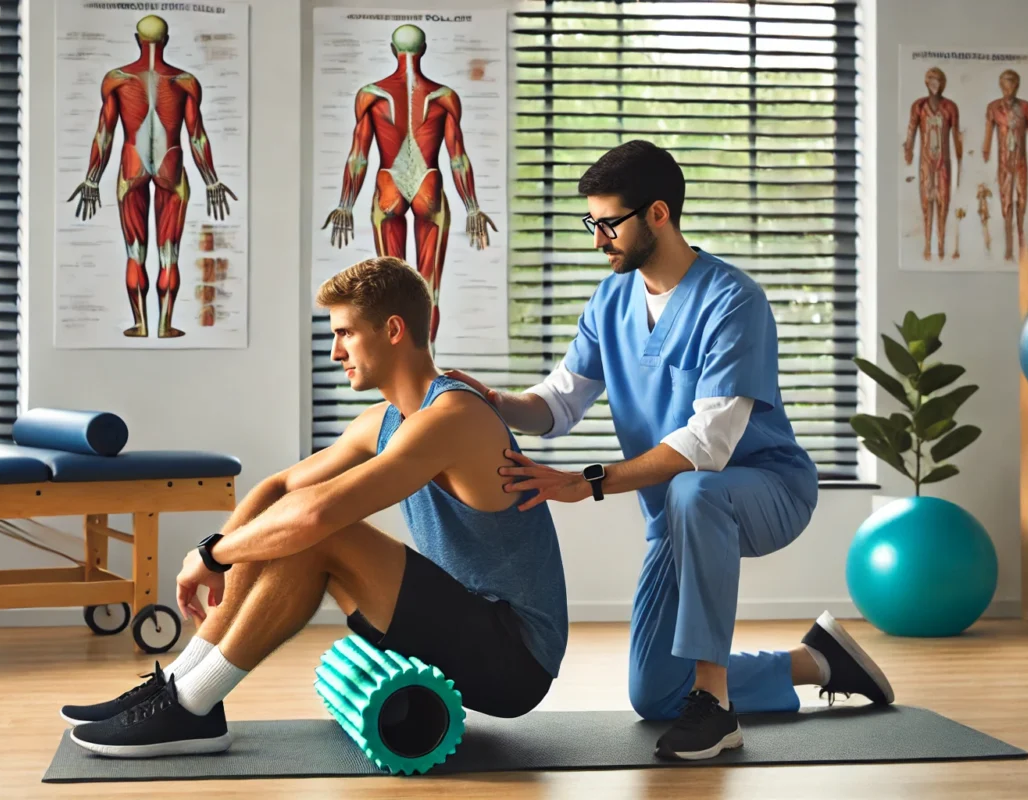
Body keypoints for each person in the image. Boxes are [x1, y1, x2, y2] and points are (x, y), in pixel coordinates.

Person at [447, 141, 895, 762]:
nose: (597, 238)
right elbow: (558, 403)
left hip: (766, 490)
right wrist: (489, 401)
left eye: (608, 224)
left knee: (694, 487)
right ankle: (818, 660)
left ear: (658, 213)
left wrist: (590, 481)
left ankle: (716, 709)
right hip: (675, 515)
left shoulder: (732, 300)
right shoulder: (611, 301)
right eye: (591, 223)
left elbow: (708, 445)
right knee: (654, 693)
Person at [60, 256, 569, 758]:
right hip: (469, 623)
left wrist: (214, 556)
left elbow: (315, 517)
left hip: (515, 657)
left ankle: (191, 705)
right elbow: (281, 489)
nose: (333, 351)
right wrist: (214, 553)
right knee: (291, 526)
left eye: (345, 333)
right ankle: (178, 686)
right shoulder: (384, 421)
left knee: (322, 531)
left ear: (393, 329)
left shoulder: (455, 417)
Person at [321, 23, 497, 345]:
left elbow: (358, 155)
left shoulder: (370, 96)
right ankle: (427, 365)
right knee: (429, 291)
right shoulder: (444, 98)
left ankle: (401, 372)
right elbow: (458, 157)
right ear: (424, 50)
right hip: (428, 187)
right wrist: (472, 208)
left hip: (389, 187)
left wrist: (346, 204)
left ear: (392, 50)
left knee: (391, 294)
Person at [68, 14, 237, 340]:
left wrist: (92, 178)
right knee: (169, 252)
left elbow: (105, 134)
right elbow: (196, 136)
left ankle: (141, 324)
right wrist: (211, 180)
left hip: (131, 169)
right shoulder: (185, 81)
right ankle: (165, 325)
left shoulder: (117, 79)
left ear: (137, 40)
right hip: (171, 168)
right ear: (167, 40)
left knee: (135, 251)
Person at [982, 68, 1028, 261]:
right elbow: (988, 136)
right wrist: (985, 150)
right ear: (1001, 86)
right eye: (1006, 85)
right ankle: (1009, 247)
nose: (1009, 89)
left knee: (1022, 200)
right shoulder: (993, 108)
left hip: (1020, 161)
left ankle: (1021, 240)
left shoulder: (1027, 108)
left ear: (1017, 85)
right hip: (1004, 162)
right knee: (1006, 202)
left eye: (1012, 85)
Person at [903, 66, 961, 261]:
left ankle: (941, 245)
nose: (935, 83)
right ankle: (927, 244)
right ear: (926, 82)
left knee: (943, 200)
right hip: (927, 161)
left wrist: (961, 158)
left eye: (938, 79)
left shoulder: (950, 107)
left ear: (943, 83)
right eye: (931, 79)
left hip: (943, 161)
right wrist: (909, 149)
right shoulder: (919, 106)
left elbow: (956, 135)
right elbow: (911, 129)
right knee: (927, 200)